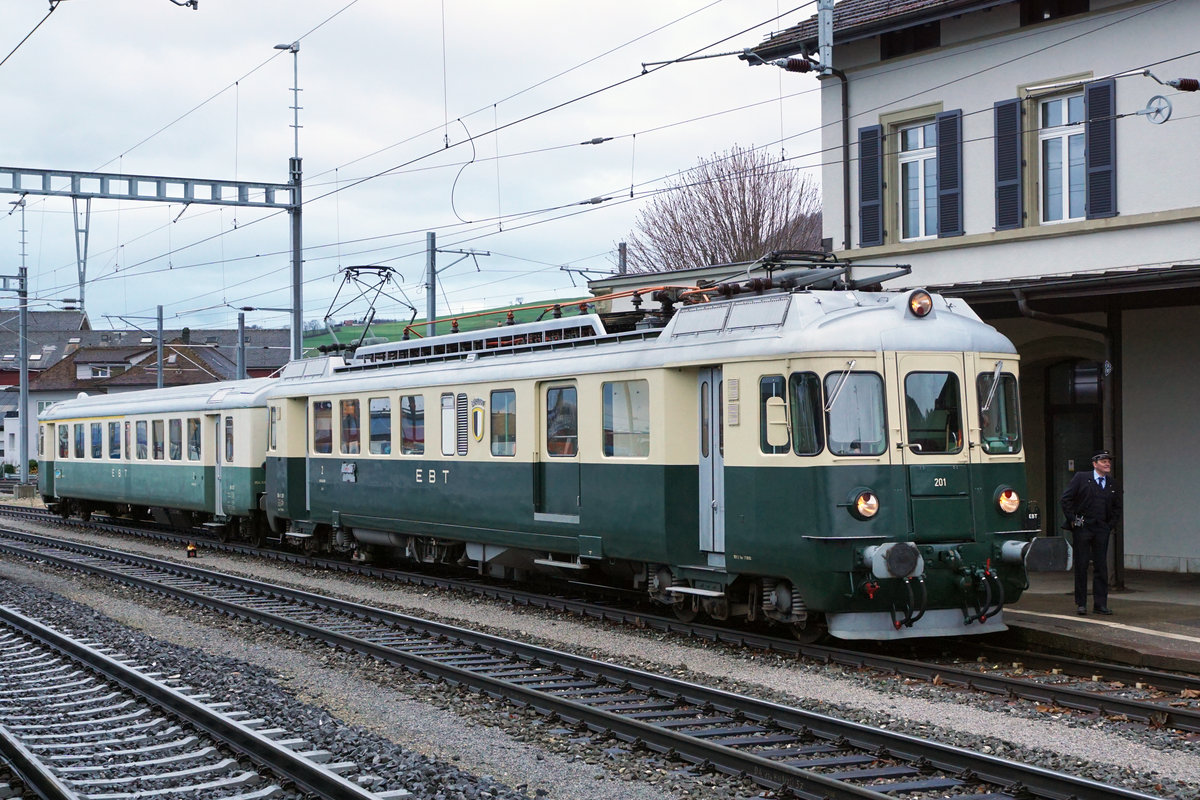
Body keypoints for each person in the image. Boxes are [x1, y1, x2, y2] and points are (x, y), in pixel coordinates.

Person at [1060, 450, 1121, 615]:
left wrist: (1110, 525)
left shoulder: (1112, 483)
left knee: (1101, 565)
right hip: (1083, 527)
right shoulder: (1081, 477)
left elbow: (1117, 507)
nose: (1107, 464)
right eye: (1103, 461)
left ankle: (1100, 604)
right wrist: (1074, 520)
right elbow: (1066, 499)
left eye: (1108, 461)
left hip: (1102, 528)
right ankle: (1081, 603)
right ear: (1095, 464)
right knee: (1082, 564)